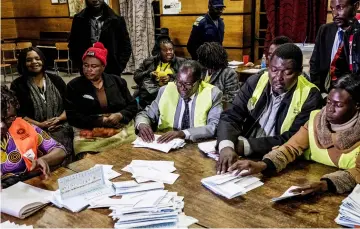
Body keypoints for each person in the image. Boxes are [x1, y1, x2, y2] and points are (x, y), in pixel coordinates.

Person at [228, 74, 360, 195]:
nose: (330, 109)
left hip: (345, 196)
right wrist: (262, 165)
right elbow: (290, 148)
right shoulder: (317, 120)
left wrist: (324, 185)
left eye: (339, 105)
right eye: (329, 102)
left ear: (357, 105)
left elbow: (358, 172)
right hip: (306, 182)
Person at [216, 43, 323, 174]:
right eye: (274, 70)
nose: (278, 78)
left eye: (287, 72)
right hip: (240, 153)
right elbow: (232, 115)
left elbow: (293, 138)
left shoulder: (310, 95)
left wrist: (246, 146)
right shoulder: (255, 82)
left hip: (278, 161)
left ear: (300, 72)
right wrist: (226, 146)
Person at [65, 42, 138, 154]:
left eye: (94, 66)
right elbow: (72, 116)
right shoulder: (73, 86)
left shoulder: (118, 82)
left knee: (130, 152)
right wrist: (100, 120)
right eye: (85, 65)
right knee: (87, 158)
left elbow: (132, 105)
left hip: (118, 127)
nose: (89, 69)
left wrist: (120, 115)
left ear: (103, 67)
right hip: (89, 130)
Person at [135, 60, 223, 143]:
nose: (182, 88)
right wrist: (142, 124)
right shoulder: (165, 91)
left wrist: (183, 133)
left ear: (199, 82)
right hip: (167, 143)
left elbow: (214, 126)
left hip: (196, 144)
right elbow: (146, 114)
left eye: (188, 84)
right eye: (179, 82)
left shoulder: (212, 93)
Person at [11, 47, 74, 159]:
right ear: (23, 63)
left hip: (60, 126)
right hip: (32, 131)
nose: (34, 62)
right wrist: (39, 125)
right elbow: (17, 114)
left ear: (43, 61)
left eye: (37, 58)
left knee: (67, 150)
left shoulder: (56, 80)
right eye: (29, 60)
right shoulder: (17, 85)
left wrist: (59, 119)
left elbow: (70, 105)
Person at [1, 85, 66, 180]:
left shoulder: (25, 127)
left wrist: (44, 160)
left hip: (29, 184)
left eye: (10, 117)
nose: (2, 125)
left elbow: (59, 150)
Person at [68, 0, 131, 76]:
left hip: (111, 71)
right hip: (87, 71)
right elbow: (72, 44)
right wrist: (80, 65)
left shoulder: (117, 20)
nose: (95, 0)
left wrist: (119, 66)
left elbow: (126, 46)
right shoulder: (78, 19)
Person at [310, 0, 359, 94]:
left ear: (356, 6)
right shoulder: (325, 30)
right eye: (332, 9)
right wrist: (319, 92)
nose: (335, 14)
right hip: (326, 92)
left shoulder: (358, 34)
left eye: (340, 7)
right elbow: (315, 64)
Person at [134, 39, 186, 109]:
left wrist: (170, 78)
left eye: (170, 49)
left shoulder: (181, 62)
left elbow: (187, 79)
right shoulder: (149, 61)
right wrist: (149, 73)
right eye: (165, 50)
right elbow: (137, 76)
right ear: (159, 51)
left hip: (171, 96)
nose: (169, 52)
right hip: (150, 97)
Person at [197, 42, 239, 106]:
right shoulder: (201, 70)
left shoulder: (228, 73)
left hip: (219, 107)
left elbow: (232, 97)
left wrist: (208, 100)